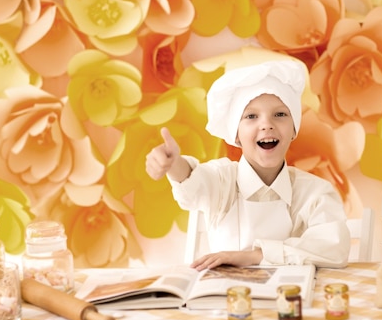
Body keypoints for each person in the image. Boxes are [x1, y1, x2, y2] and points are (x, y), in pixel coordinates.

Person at [145, 60, 350, 271]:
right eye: (251, 116)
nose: (266, 124)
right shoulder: (222, 181)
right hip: (227, 298)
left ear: (294, 129)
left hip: (292, 300)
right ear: (236, 135)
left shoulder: (315, 193)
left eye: (280, 114)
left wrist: (254, 256)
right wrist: (172, 164)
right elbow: (194, 181)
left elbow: (334, 249)